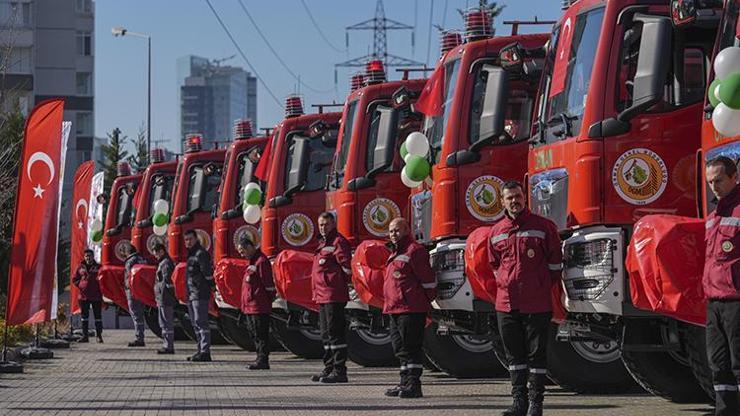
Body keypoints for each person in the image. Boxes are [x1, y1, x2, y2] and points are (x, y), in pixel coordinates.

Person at [487, 181, 562, 416]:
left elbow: (555, 265)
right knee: (514, 356)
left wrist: (537, 286)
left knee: (536, 355)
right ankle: (518, 402)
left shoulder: (544, 227)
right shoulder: (496, 231)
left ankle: (535, 404)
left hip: (536, 303)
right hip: (506, 304)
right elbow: (493, 265)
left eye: (517, 196)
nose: (514, 201)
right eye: (509, 198)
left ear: (524, 197)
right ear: (502, 201)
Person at [382, 218, 436, 399]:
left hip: (410, 308)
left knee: (411, 347)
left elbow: (428, 280)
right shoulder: (394, 252)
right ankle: (404, 381)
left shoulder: (415, 251)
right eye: (391, 231)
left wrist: (424, 301)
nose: (393, 234)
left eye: (397, 230)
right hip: (394, 308)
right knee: (400, 348)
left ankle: (414, 384)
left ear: (406, 230)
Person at [703, 156, 740, 416]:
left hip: (736, 300)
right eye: (709, 182)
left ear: (734, 177)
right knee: (718, 363)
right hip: (714, 302)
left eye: (718, 180)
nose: (713, 186)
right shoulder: (713, 216)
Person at [310, 212, 352, 383]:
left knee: (335, 334)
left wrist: (336, 282)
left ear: (333, 224)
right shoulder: (322, 244)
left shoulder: (338, 242)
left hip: (333, 294)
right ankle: (329, 367)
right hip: (322, 296)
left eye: (326, 224)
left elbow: (347, 268)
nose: (323, 227)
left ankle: (340, 370)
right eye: (320, 224)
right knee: (326, 334)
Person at [236, 235, 275, 370]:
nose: (242, 255)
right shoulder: (251, 263)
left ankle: (263, 360)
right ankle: (259, 357)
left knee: (261, 334)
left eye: (242, 251)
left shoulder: (261, 262)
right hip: (250, 306)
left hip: (259, 306)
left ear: (250, 247)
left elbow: (268, 285)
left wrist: (266, 299)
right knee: (254, 333)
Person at [184, 229, 214, 362]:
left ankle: (205, 351)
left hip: (200, 293)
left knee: (201, 322)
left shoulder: (201, 253)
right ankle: (199, 350)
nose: (188, 242)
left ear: (196, 239)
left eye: (190, 239)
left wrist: (210, 286)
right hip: (191, 293)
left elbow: (207, 273)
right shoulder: (191, 254)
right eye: (186, 240)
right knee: (195, 323)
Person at [73, 249, 104, 343]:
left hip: (96, 295)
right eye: (86, 256)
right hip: (83, 296)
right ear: (84, 257)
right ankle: (85, 336)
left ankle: (99, 336)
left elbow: (104, 278)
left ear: (93, 256)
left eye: (89, 256)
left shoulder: (98, 267)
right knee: (84, 317)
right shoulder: (80, 267)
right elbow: (74, 279)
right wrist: (81, 284)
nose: (88, 258)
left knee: (98, 317)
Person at [153, 243, 176, 354]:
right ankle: (166, 344)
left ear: (161, 251)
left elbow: (168, 281)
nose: (155, 256)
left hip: (165, 297)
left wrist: (165, 293)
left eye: (156, 253)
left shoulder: (165, 263)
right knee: (163, 322)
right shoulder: (163, 262)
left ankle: (168, 346)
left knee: (166, 323)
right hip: (162, 297)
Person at [123, 244, 148, 347]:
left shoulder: (130, 261)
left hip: (133, 292)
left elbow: (130, 277)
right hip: (142, 291)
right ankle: (140, 336)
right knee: (140, 315)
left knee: (136, 315)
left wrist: (128, 288)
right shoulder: (142, 259)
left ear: (127, 252)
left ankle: (139, 338)